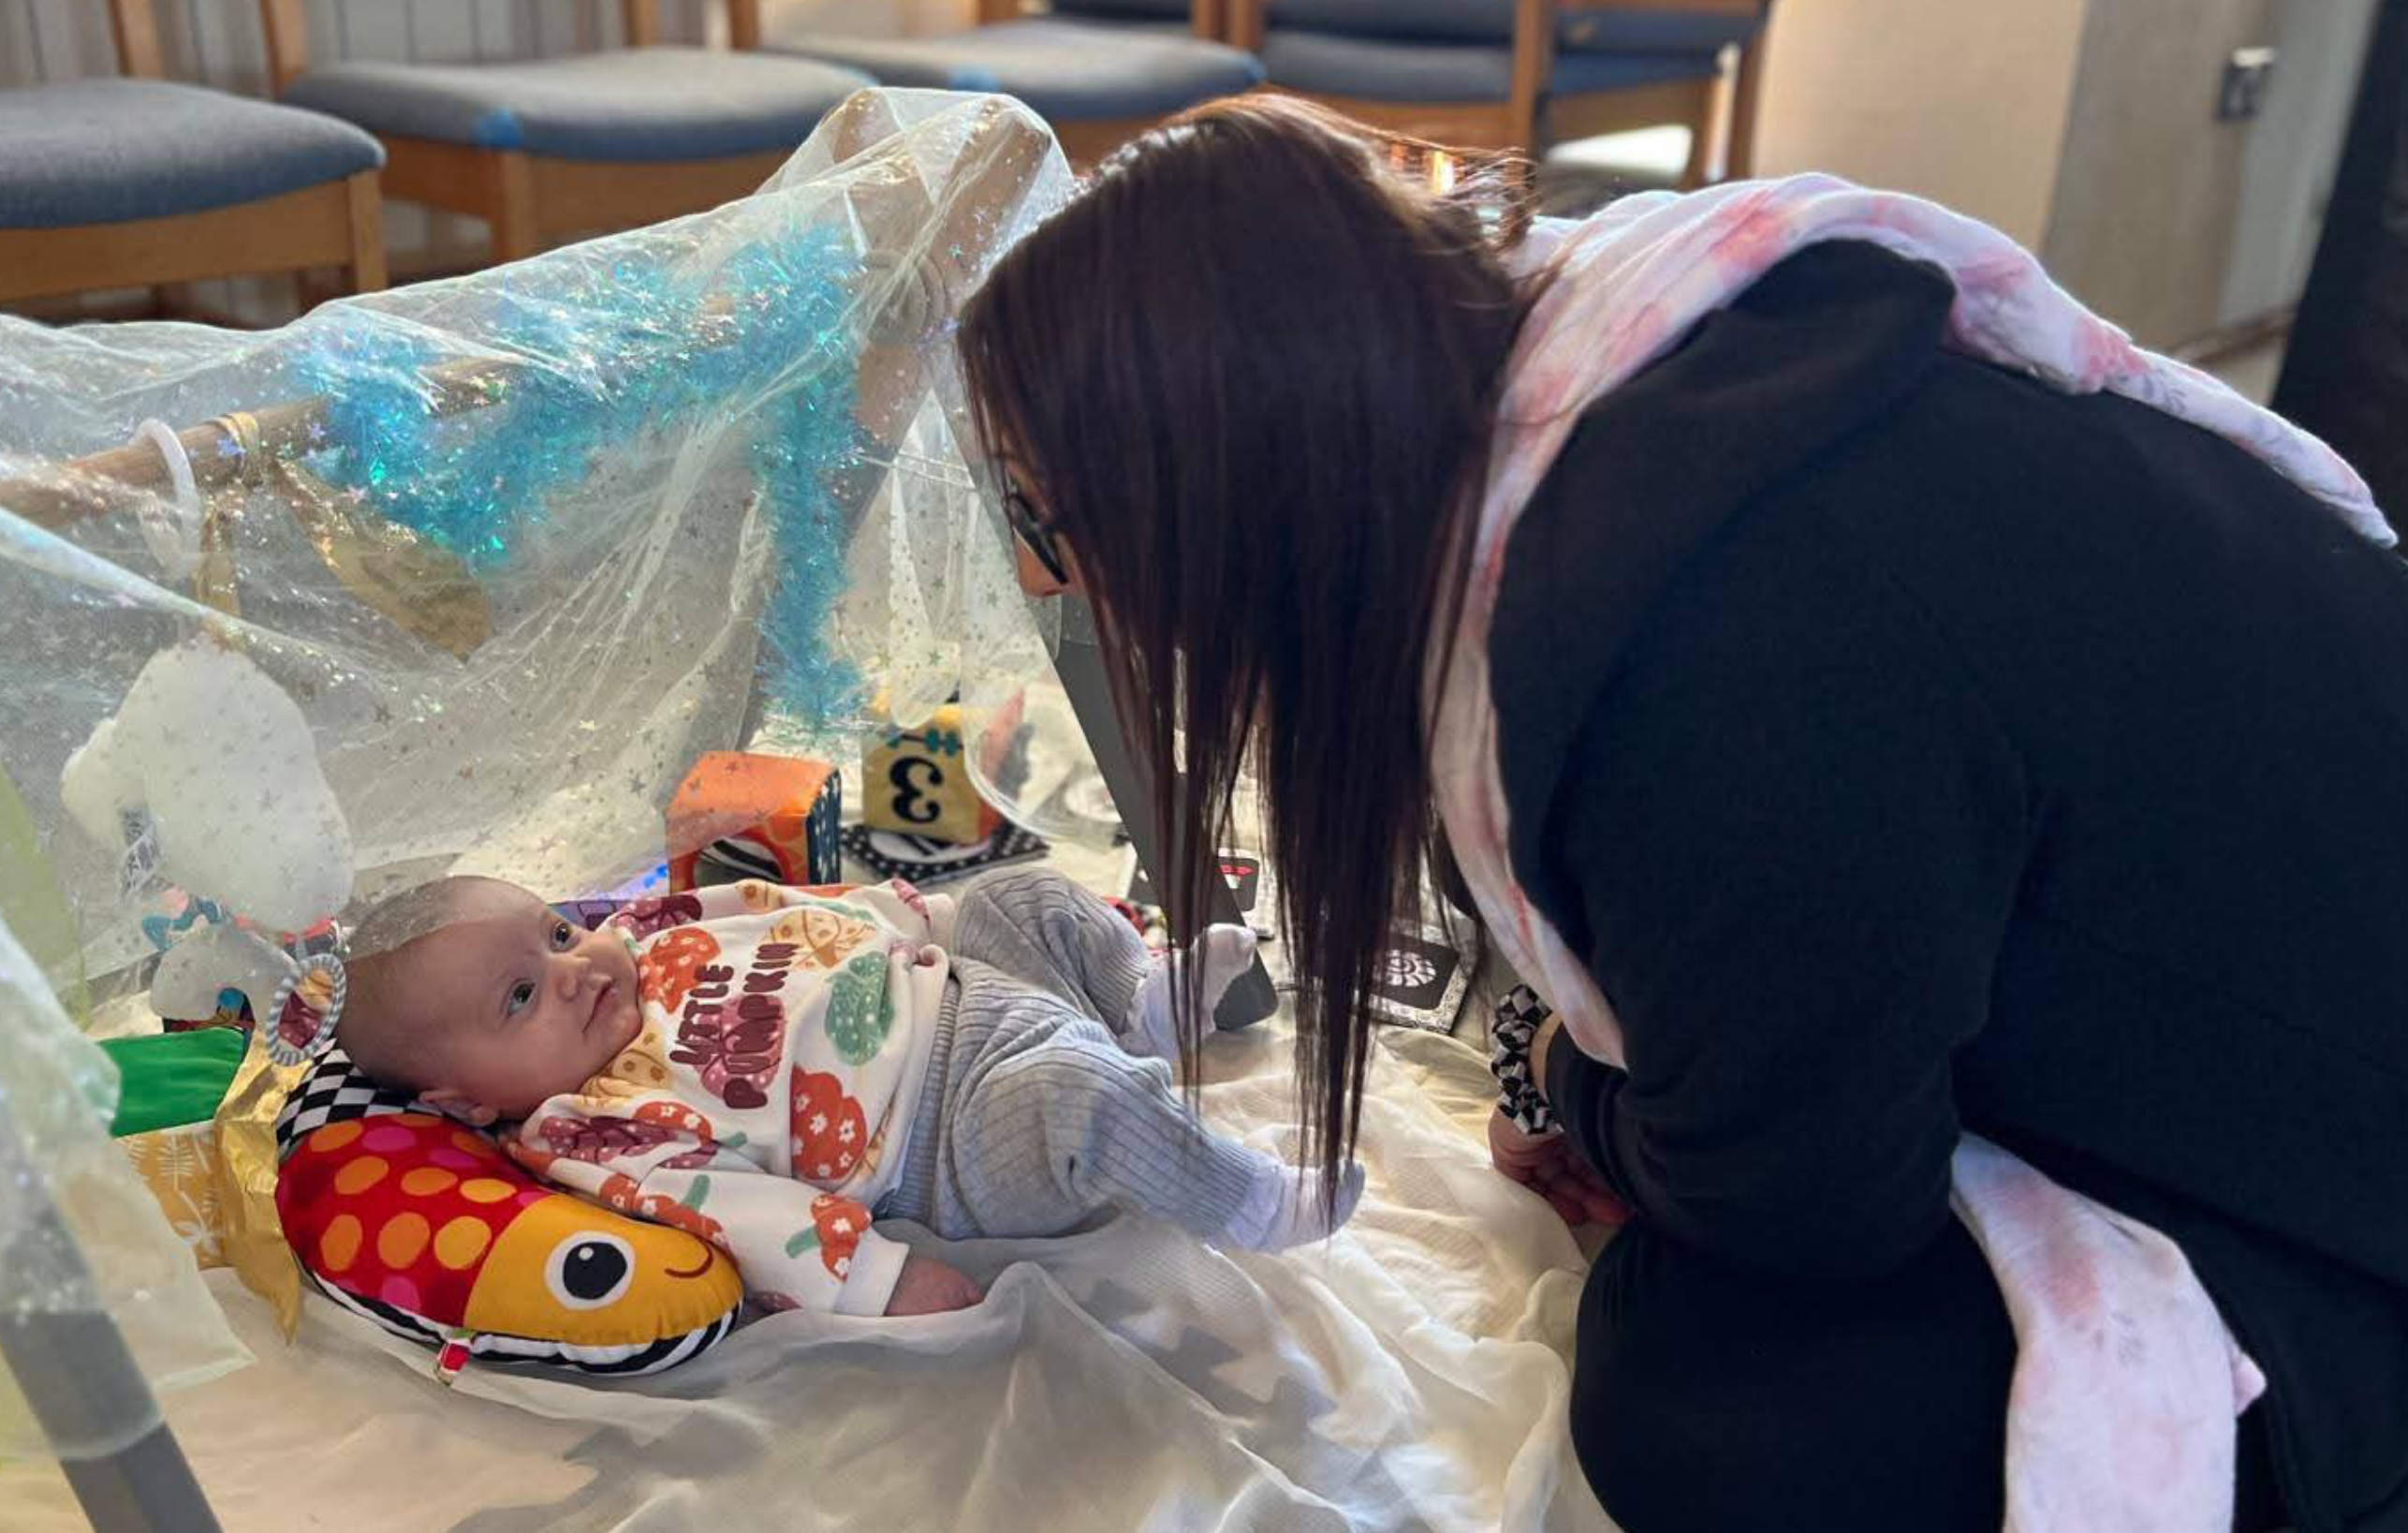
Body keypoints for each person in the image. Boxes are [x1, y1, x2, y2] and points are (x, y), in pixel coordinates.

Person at [957, 96, 2408, 1532]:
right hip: (2260, 995)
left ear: (1229, 494)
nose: (1052, 585)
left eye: (1048, 524)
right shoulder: (1640, 371)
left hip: (2337, 1223)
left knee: (1699, 1402)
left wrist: (1571, 1082)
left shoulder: (1695, 638)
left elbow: (1810, 1210)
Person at [333, 867, 1358, 1321]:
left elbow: (775, 908)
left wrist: (904, 910)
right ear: (465, 1100)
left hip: (954, 984)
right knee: (1077, 1096)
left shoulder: (646, 939)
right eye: (521, 996)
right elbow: (733, 1213)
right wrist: (873, 1277)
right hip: (945, 1129)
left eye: (557, 932)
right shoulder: (590, 1128)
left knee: (1025, 891)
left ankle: (1137, 1005)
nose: (574, 969)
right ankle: (1252, 1200)